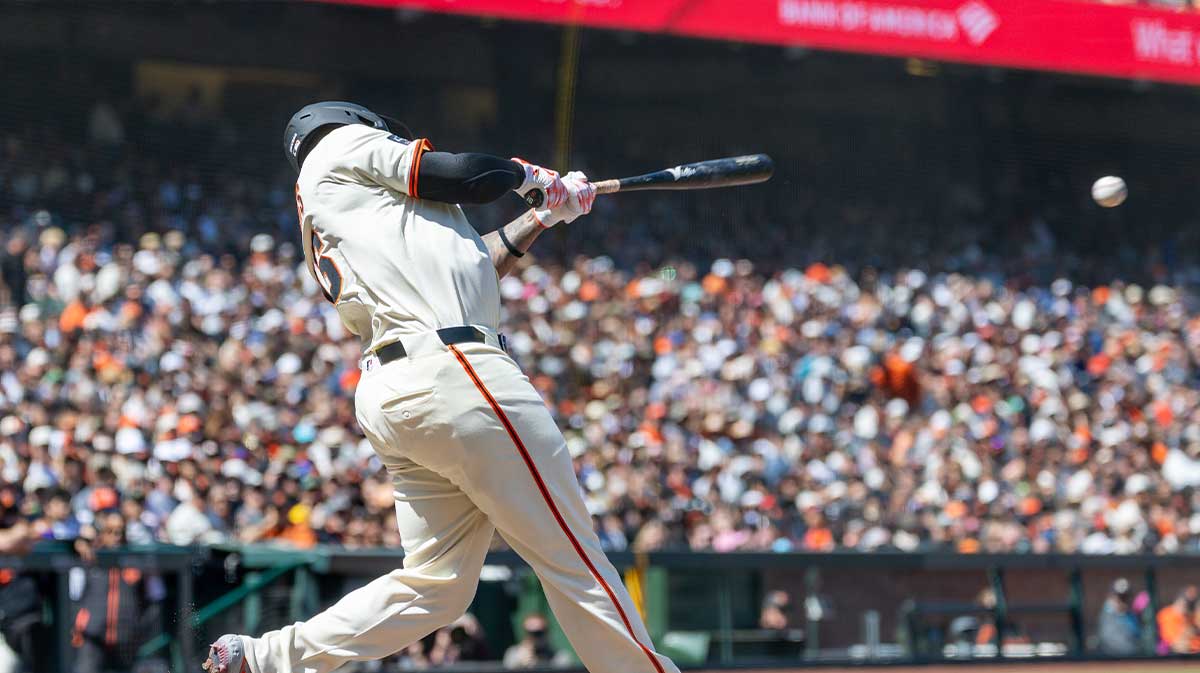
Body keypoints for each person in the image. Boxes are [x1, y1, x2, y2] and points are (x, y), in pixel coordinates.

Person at [203, 102, 676, 673]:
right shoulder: (338, 144)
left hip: (400, 387)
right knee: (572, 557)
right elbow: (463, 174)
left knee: (438, 584)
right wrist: (531, 176)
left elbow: (473, 266)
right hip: (453, 370)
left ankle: (264, 658)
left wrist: (543, 216)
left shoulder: (358, 210)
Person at [502, 614, 572, 669]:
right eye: (530, 632)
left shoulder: (559, 656)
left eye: (538, 633)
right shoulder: (513, 653)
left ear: (547, 633)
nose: (534, 637)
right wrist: (520, 664)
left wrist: (537, 664)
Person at [1097, 578, 1141, 656]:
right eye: (1121, 597)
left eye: (1126, 597)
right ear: (1112, 597)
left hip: (1133, 657)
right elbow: (1111, 643)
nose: (1124, 601)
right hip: (1115, 659)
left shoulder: (1131, 615)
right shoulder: (1108, 616)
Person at [1157, 587, 1200, 654]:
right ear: (1179, 601)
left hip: (1195, 650)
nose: (1189, 605)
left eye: (1193, 602)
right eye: (1188, 602)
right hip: (1175, 652)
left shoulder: (1193, 615)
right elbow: (1174, 641)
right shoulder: (1166, 614)